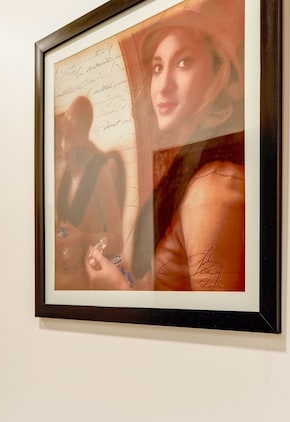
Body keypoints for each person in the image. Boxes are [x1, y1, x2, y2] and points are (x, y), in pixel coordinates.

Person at [86, 0, 245, 291]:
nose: (163, 85)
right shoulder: (185, 167)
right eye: (158, 68)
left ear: (217, 73)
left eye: (184, 62)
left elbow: (214, 316)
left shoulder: (213, 188)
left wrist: (117, 288)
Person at [54, 95, 124, 289]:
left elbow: (118, 241)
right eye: (62, 139)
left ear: (82, 138)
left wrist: (82, 238)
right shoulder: (64, 172)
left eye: (69, 139)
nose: (63, 148)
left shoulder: (100, 172)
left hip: (89, 280)